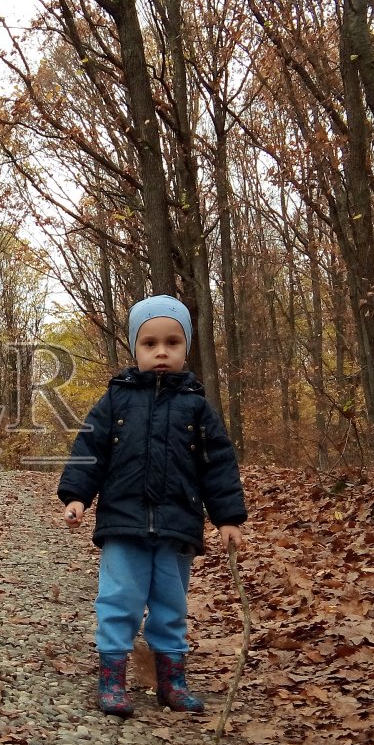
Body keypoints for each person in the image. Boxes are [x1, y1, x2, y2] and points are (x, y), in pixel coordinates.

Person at [58, 294, 248, 717]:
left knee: (170, 605)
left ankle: (172, 682)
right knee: (119, 600)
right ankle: (112, 679)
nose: (161, 351)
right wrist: (76, 496)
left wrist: (228, 517)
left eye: (172, 342)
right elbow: (89, 450)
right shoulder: (116, 401)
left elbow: (217, 464)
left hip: (177, 524)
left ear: (186, 348)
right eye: (149, 343)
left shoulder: (197, 407)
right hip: (122, 524)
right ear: (135, 348)